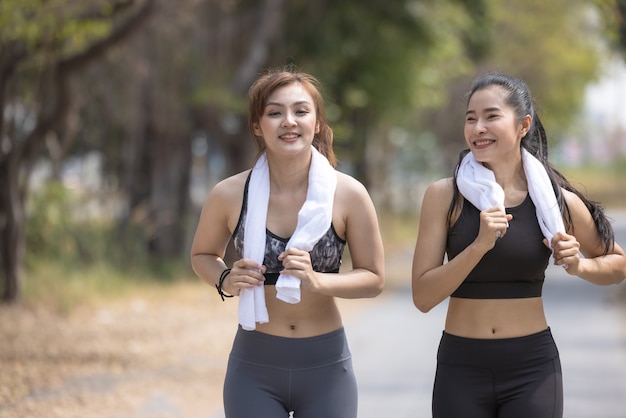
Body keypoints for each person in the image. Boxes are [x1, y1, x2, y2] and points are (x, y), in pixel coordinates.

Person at [411, 72, 626, 418]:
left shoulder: (555, 202)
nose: (478, 127)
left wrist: (581, 265)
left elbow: (617, 264)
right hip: (461, 367)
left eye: (491, 116)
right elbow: (423, 296)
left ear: (523, 125)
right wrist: (478, 246)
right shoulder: (443, 196)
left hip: (532, 368)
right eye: (471, 118)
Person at [190, 66, 385, 418]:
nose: (288, 121)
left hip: (326, 367)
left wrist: (317, 281)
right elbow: (203, 254)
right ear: (257, 126)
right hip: (254, 366)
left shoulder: (349, 194)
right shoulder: (230, 194)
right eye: (275, 112)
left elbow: (373, 278)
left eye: (300, 111)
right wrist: (224, 279)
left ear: (318, 123)